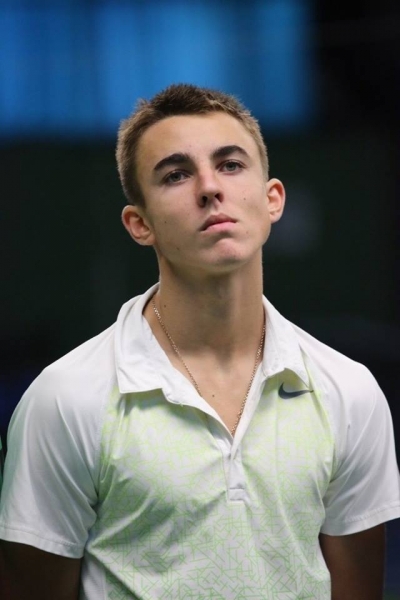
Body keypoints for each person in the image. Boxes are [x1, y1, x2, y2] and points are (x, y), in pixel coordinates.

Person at [0, 83, 399, 600]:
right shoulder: (65, 398)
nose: (209, 187)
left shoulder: (350, 391)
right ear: (139, 224)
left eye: (230, 165)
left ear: (272, 199)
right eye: (176, 174)